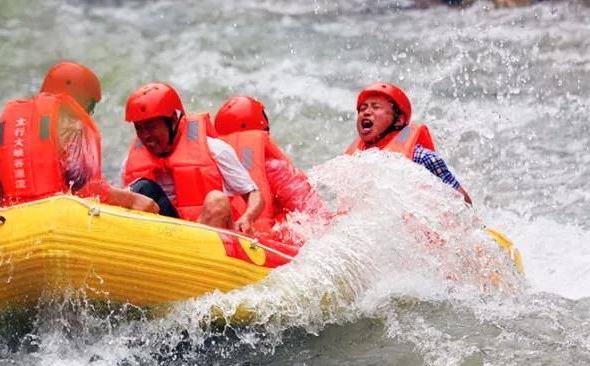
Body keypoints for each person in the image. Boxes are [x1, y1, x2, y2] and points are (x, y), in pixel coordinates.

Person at [0, 62, 157, 213]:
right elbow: (90, 191)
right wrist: (132, 200)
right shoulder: (74, 133)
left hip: (19, 223)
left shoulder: (6, 132)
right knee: (147, 191)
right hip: (54, 221)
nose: (82, 119)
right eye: (88, 108)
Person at [120, 83, 264, 234]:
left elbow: (254, 194)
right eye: (139, 129)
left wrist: (248, 217)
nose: (145, 136)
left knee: (217, 200)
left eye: (151, 127)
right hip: (165, 234)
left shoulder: (215, 150)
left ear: (173, 120)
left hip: (207, 230)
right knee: (142, 189)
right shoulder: (129, 162)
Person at [345, 82, 473, 205]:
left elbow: (462, 203)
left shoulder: (422, 157)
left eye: (376, 107)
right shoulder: (352, 159)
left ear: (399, 120)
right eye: (362, 109)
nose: (366, 112)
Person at [214, 95, 327, 233]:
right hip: (268, 243)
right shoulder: (277, 168)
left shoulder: (212, 166)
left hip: (233, 238)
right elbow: (315, 216)